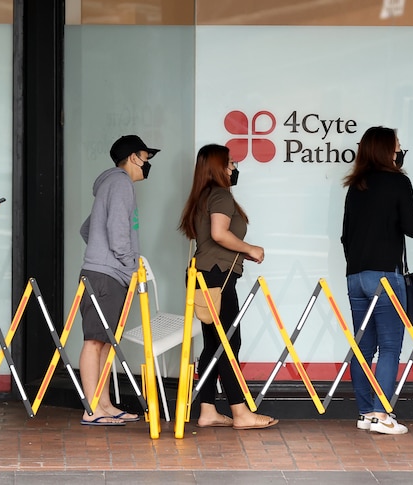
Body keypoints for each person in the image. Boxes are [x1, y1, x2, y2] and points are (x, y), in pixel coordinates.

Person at [178, 144, 278, 430]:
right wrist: (251, 248)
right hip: (216, 277)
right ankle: (240, 411)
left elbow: (212, 239)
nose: (234, 168)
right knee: (228, 343)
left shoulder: (203, 196)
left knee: (214, 344)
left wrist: (241, 252)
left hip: (204, 274)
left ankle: (207, 409)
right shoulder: (220, 195)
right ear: (217, 167)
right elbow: (219, 234)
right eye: (230, 164)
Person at [340, 126, 413, 435]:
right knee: (389, 347)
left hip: (355, 277)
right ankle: (381, 413)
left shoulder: (355, 185)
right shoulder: (399, 182)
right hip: (386, 276)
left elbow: (345, 235)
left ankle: (364, 412)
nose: (401, 151)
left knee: (364, 347)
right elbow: (412, 227)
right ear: (388, 151)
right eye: (398, 147)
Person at [78, 134, 158, 426]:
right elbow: (116, 229)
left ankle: (105, 403)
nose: (147, 165)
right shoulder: (121, 182)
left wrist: (105, 254)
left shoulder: (109, 185)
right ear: (133, 157)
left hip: (105, 272)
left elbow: (89, 228)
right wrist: (127, 261)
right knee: (95, 341)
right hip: (106, 275)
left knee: (105, 342)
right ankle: (92, 409)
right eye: (145, 159)